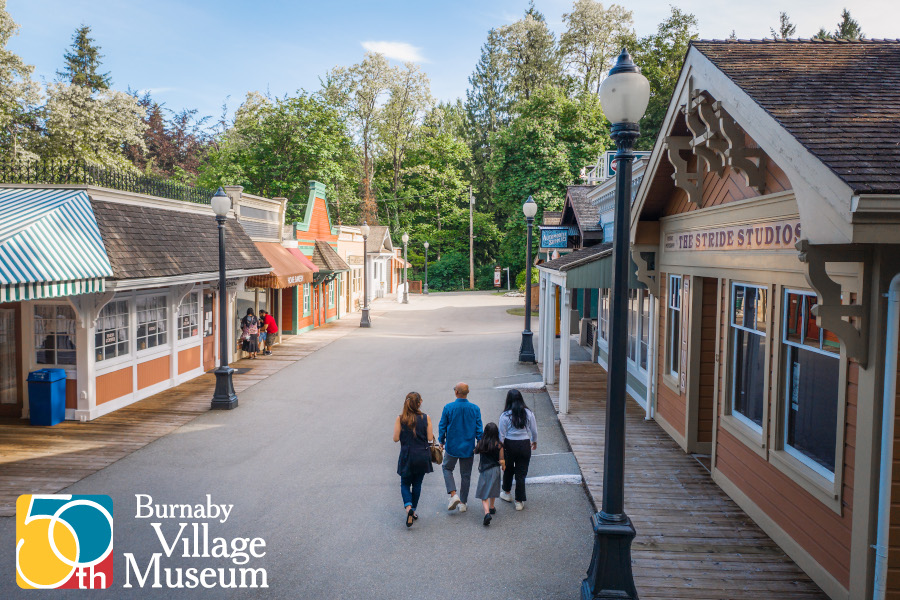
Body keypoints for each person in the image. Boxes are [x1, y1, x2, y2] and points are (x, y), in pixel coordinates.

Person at [438, 382, 483, 513]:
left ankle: (453, 494)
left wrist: (441, 440)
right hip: (468, 447)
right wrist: (479, 443)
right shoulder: (475, 409)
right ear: (467, 393)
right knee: (466, 475)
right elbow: (479, 430)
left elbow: (442, 426)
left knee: (447, 468)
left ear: (456, 392)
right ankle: (463, 503)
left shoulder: (448, 407)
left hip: (452, 446)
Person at [393, 392, 434, 527]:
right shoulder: (425, 418)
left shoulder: (400, 419)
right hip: (422, 455)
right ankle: (413, 510)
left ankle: (409, 508)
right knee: (417, 484)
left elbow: (395, 438)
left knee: (405, 483)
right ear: (419, 403)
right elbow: (429, 438)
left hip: (406, 455)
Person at [498, 389, 538, 511]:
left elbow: (501, 436)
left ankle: (507, 492)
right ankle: (519, 501)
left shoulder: (505, 415)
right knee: (521, 473)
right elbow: (534, 431)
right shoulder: (528, 413)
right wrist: (534, 441)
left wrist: (501, 451)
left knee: (509, 469)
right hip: (524, 444)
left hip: (510, 445)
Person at [474, 422, 504, 526]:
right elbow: (501, 460)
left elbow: (475, 451)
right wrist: (504, 467)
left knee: (484, 492)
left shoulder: (482, 443)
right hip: (495, 470)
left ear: (485, 432)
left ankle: (486, 513)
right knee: (493, 488)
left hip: (485, 470)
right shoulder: (499, 445)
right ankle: (492, 507)